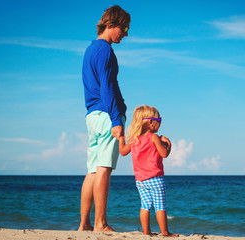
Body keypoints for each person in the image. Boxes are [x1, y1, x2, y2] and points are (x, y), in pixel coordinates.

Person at [78, 5, 130, 232]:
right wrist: (117, 120)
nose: (126, 33)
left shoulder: (90, 49)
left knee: (92, 170)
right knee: (104, 168)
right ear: (111, 25)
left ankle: (84, 225)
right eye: (124, 28)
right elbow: (107, 88)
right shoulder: (106, 51)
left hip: (92, 114)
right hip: (106, 115)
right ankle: (100, 223)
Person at [119, 105, 179, 237]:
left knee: (145, 206)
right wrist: (168, 144)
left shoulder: (133, 139)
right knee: (160, 206)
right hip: (155, 179)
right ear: (151, 123)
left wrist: (121, 138)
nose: (160, 124)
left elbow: (122, 152)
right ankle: (165, 232)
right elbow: (164, 154)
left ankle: (146, 231)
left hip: (140, 181)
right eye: (159, 121)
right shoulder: (154, 137)